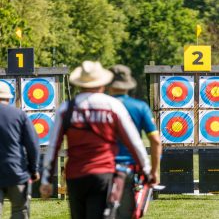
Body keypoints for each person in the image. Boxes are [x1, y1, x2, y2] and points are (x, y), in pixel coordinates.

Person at [40, 60, 152, 219]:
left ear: (79, 84)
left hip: (75, 175)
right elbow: (133, 142)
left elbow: (53, 147)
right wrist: (146, 170)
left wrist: (46, 179)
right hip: (103, 173)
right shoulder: (112, 106)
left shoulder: (67, 108)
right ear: (102, 84)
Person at [109, 64, 162, 219]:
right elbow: (156, 141)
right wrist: (154, 171)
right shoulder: (140, 107)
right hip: (129, 170)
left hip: (101, 168)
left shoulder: (99, 106)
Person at [0, 82, 40, 219]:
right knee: (19, 211)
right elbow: (33, 145)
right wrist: (34, 170)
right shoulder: (19, 115)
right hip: (16, 173)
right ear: (9, 98)